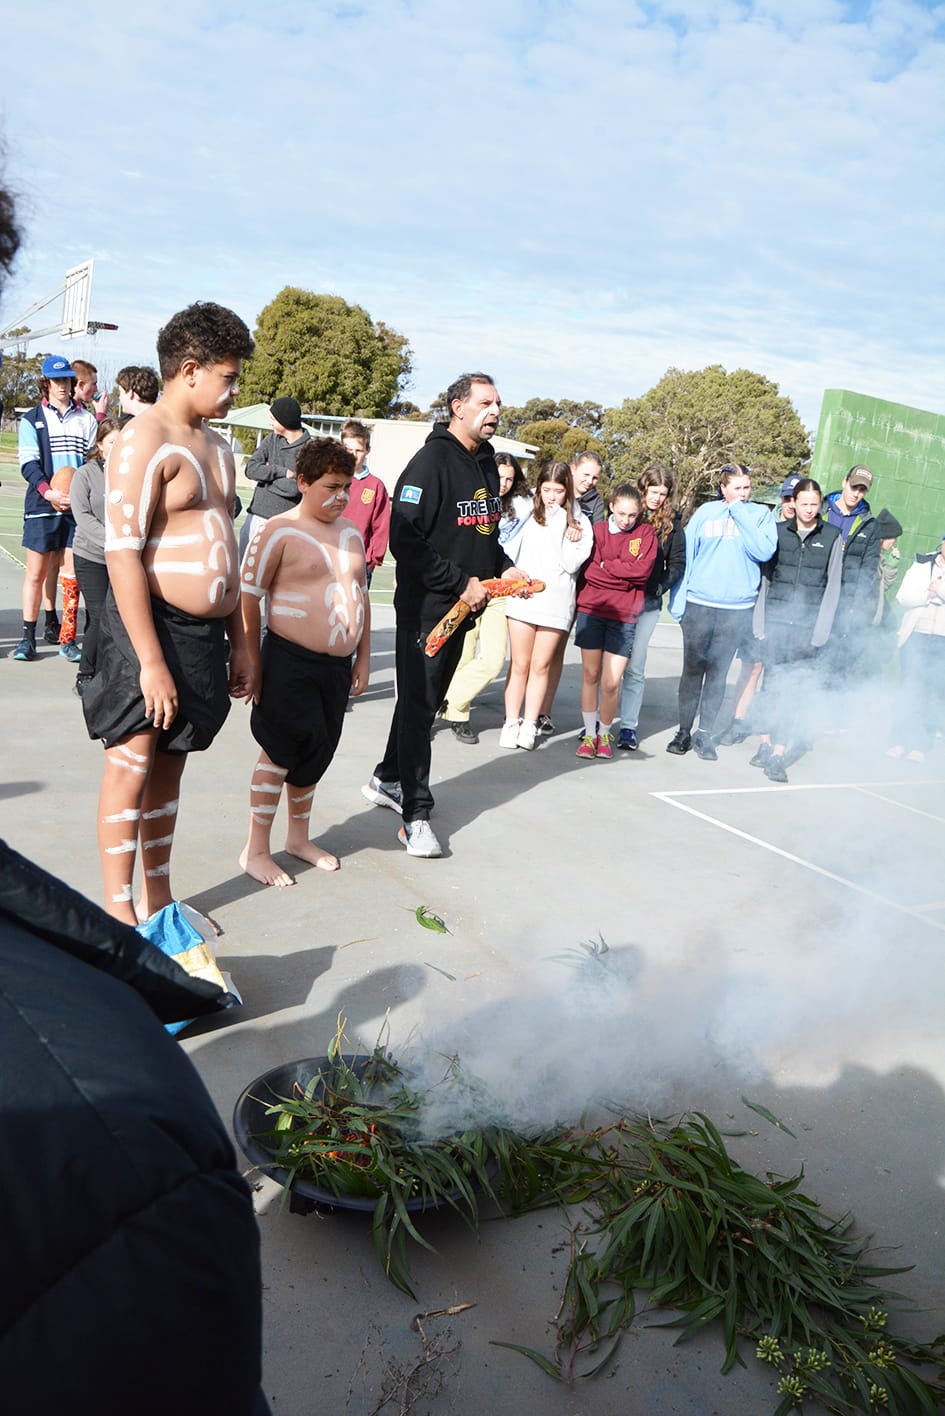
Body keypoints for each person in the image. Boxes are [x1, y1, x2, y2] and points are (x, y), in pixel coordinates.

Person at [80, 301, 255, 922]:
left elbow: (227, 553)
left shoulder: (221, 449)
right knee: (131, 762)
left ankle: (159, 901)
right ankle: (119, 914)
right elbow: (123, 556)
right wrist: (150, 663)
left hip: (204, 636)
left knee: (171, 768)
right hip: (144, 630)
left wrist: (241, 642)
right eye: (228, 378)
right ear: (189, 370)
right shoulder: (141, 442)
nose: (234, 391)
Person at [362, 372, 523, 858]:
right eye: (485, 402)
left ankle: (388, 777)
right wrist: (459, 583)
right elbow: (404, 539)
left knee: (423, 702)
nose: (494, 411)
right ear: (457, 406)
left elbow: (483, 536)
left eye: (498, 403)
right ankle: (415, 815)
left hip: (465, 610)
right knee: (418, 707)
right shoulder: (429, 462)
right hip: (426, 610)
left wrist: (506, 567)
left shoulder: (489, 466)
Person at [239, 438, 369, 886]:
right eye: (331, 486)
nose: (341, 497)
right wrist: (250, 661)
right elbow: (248, 598)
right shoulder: (278, 530)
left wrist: (363, 657)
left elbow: (360, 597)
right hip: (288, 661)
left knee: (316, 753)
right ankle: (255, 850)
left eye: (347, 487)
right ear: (302, 482)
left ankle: (298, 839)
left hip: (335, 667)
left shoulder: (352, 533)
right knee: (279, 751)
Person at [667, 464, 777, 758]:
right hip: (700, 604)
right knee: (692, 671)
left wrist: (739, 512)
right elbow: (688, 557)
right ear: (723, 488)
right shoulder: (706, 513)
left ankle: (705, 736)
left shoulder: (760, 516)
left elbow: (763, 552)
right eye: (737, 488)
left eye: (747, 488)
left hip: (736, 610)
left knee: (718, 673)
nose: (743, 493)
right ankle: (683, 732)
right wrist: (678, 603)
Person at [748, 479, 843, 782]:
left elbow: (833, 587)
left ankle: (778, 754)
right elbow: (765, 581)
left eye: (814, 505)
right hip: (775, 624)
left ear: (820, 506)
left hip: (806, 629)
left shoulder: (832, 536)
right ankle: (764, 743)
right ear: (794, 502)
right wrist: (760, 623)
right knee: (770, 687)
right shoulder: (776, 532)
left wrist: (821, 631)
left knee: (794, 693)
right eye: (804, 504)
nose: (808, 509)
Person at [440, 451, 533, 743]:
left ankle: (442, 699)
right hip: (469, 586)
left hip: (501, 589)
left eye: (509, 478)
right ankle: (458, 714)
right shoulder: (472, 503)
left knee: (493, 660)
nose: (503, 483)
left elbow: (556, 502)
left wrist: (571, 523)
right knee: (463, 655)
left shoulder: (525, 508)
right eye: (499, 476)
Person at [502, 461, 593, 750]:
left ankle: (530, 723)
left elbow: (569, 564)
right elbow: (506, 545)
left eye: (558, 491)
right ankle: (511, 722)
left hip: (556, 603)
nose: (551, 497)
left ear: (568, 492)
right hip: (523, 598)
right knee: (519, 664)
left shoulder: (581, 524)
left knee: (541, 665)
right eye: (546, 490)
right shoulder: (528, 514)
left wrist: (565, 530)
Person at [14, 354, 97, 662]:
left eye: (66, 380)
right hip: (42, 503)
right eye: (56, 380)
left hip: (76, 508)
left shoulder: (86, 419)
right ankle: (27, 638)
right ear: (46, 383)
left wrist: (79, 494)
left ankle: (67, 638)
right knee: (35, 573)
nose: (62, 385)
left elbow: (91, 462)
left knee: (71, 575)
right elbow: (29, 464)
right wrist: (48, 492)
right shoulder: (32, 419)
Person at [573, 483, 657, 759]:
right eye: (621, 514)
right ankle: (588, 734)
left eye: (632, 515)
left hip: (625, 617)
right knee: (591, 676)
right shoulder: (596, 532)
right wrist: (623, 575)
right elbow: (590, 572)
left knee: (611, 682)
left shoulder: (646, 534)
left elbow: (642, 573)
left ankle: (605, 733)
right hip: (592, 611)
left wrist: (608, 567)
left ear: (639, 513)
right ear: (611, 507)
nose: (626, 520)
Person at [616, 464, 685, 750]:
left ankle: (628, 727)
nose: (656, 498)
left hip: (648, 605)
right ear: (643, 488)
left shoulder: (672, 522)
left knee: (635, 667)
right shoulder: (628, 514)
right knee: (609, 667)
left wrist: (658, 588)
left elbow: (677, 564)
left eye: (662, 493)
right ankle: (598, 723)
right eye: (652, 491)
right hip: (618, 602)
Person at [71, 415, 123, 689]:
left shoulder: (130, 475)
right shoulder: (86, 474)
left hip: (122, 558)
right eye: (112, 441)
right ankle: (86, 674)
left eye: (122, 441)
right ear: (100, 445)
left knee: (115, 616)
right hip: (91, 556)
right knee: (101, 612)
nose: (117, 446)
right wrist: (111, 540)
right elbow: (82, 515)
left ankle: (108, 670)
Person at [886, 533, 945, 763]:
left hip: (942, 638)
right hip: (915, 635)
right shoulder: (922, 564)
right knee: (908, 688)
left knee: (933, 691)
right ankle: (898, 739)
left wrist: (938, 591)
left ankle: (920, 743)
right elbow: (904, 596)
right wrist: (926, 595)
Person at [823, 465, 882, 682]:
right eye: (853, 486)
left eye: (862, 490)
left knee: (834, 668)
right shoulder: (821, 511)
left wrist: (856, 610)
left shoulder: (871, 525)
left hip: (843, 606)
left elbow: (868, 571)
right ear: (844, 482)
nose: (856, 493)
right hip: (814, 600)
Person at [239, 396, 310, 557]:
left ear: (284, 420)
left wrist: (264, 482)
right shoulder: (271, 439)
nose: (270, 422)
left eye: (273, 419)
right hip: (254, 520)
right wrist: (281, 472)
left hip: (283, 526)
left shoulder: (309, 449)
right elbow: (251, 469)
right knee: (242, 577)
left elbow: (294, 488)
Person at [339, 418, 390, 586]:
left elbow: (380, 527)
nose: (353, 455)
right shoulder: (330, 478)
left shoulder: (376, 486)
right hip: (329, 556)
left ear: (367, 450)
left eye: (358, 450)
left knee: (354, 611)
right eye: (347, 449)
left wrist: (373, 560)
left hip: (359, 563)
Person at [571, 451, 606, 524]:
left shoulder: (597, 503)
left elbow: (597, 530)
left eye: (595, 478)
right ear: (573, 469)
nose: (590, 481)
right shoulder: (560, 493)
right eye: (586, 474)